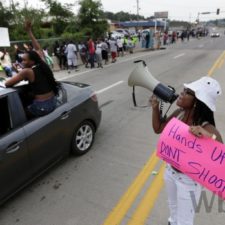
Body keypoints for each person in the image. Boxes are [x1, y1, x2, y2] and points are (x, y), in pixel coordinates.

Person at [150, 76, 223, 225]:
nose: (181, 93)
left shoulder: (206, 126)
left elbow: (221, 154)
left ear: (197, 102)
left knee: (184, 221)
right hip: (170, 172)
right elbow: (158, 128)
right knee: (173, 209)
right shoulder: (179, 114)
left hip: (188, 181)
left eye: (187, 92)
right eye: (183, 90)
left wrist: (209, 136)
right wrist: (155, 107)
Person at [5, 51, 59, 117]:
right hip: (53, 101)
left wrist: (18, 69)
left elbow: (7, 84)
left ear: (32, 61)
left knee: (15, 115)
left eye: (24, 60)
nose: (22, 62)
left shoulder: (27, 71)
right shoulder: (42, 67)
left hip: (42, 106)